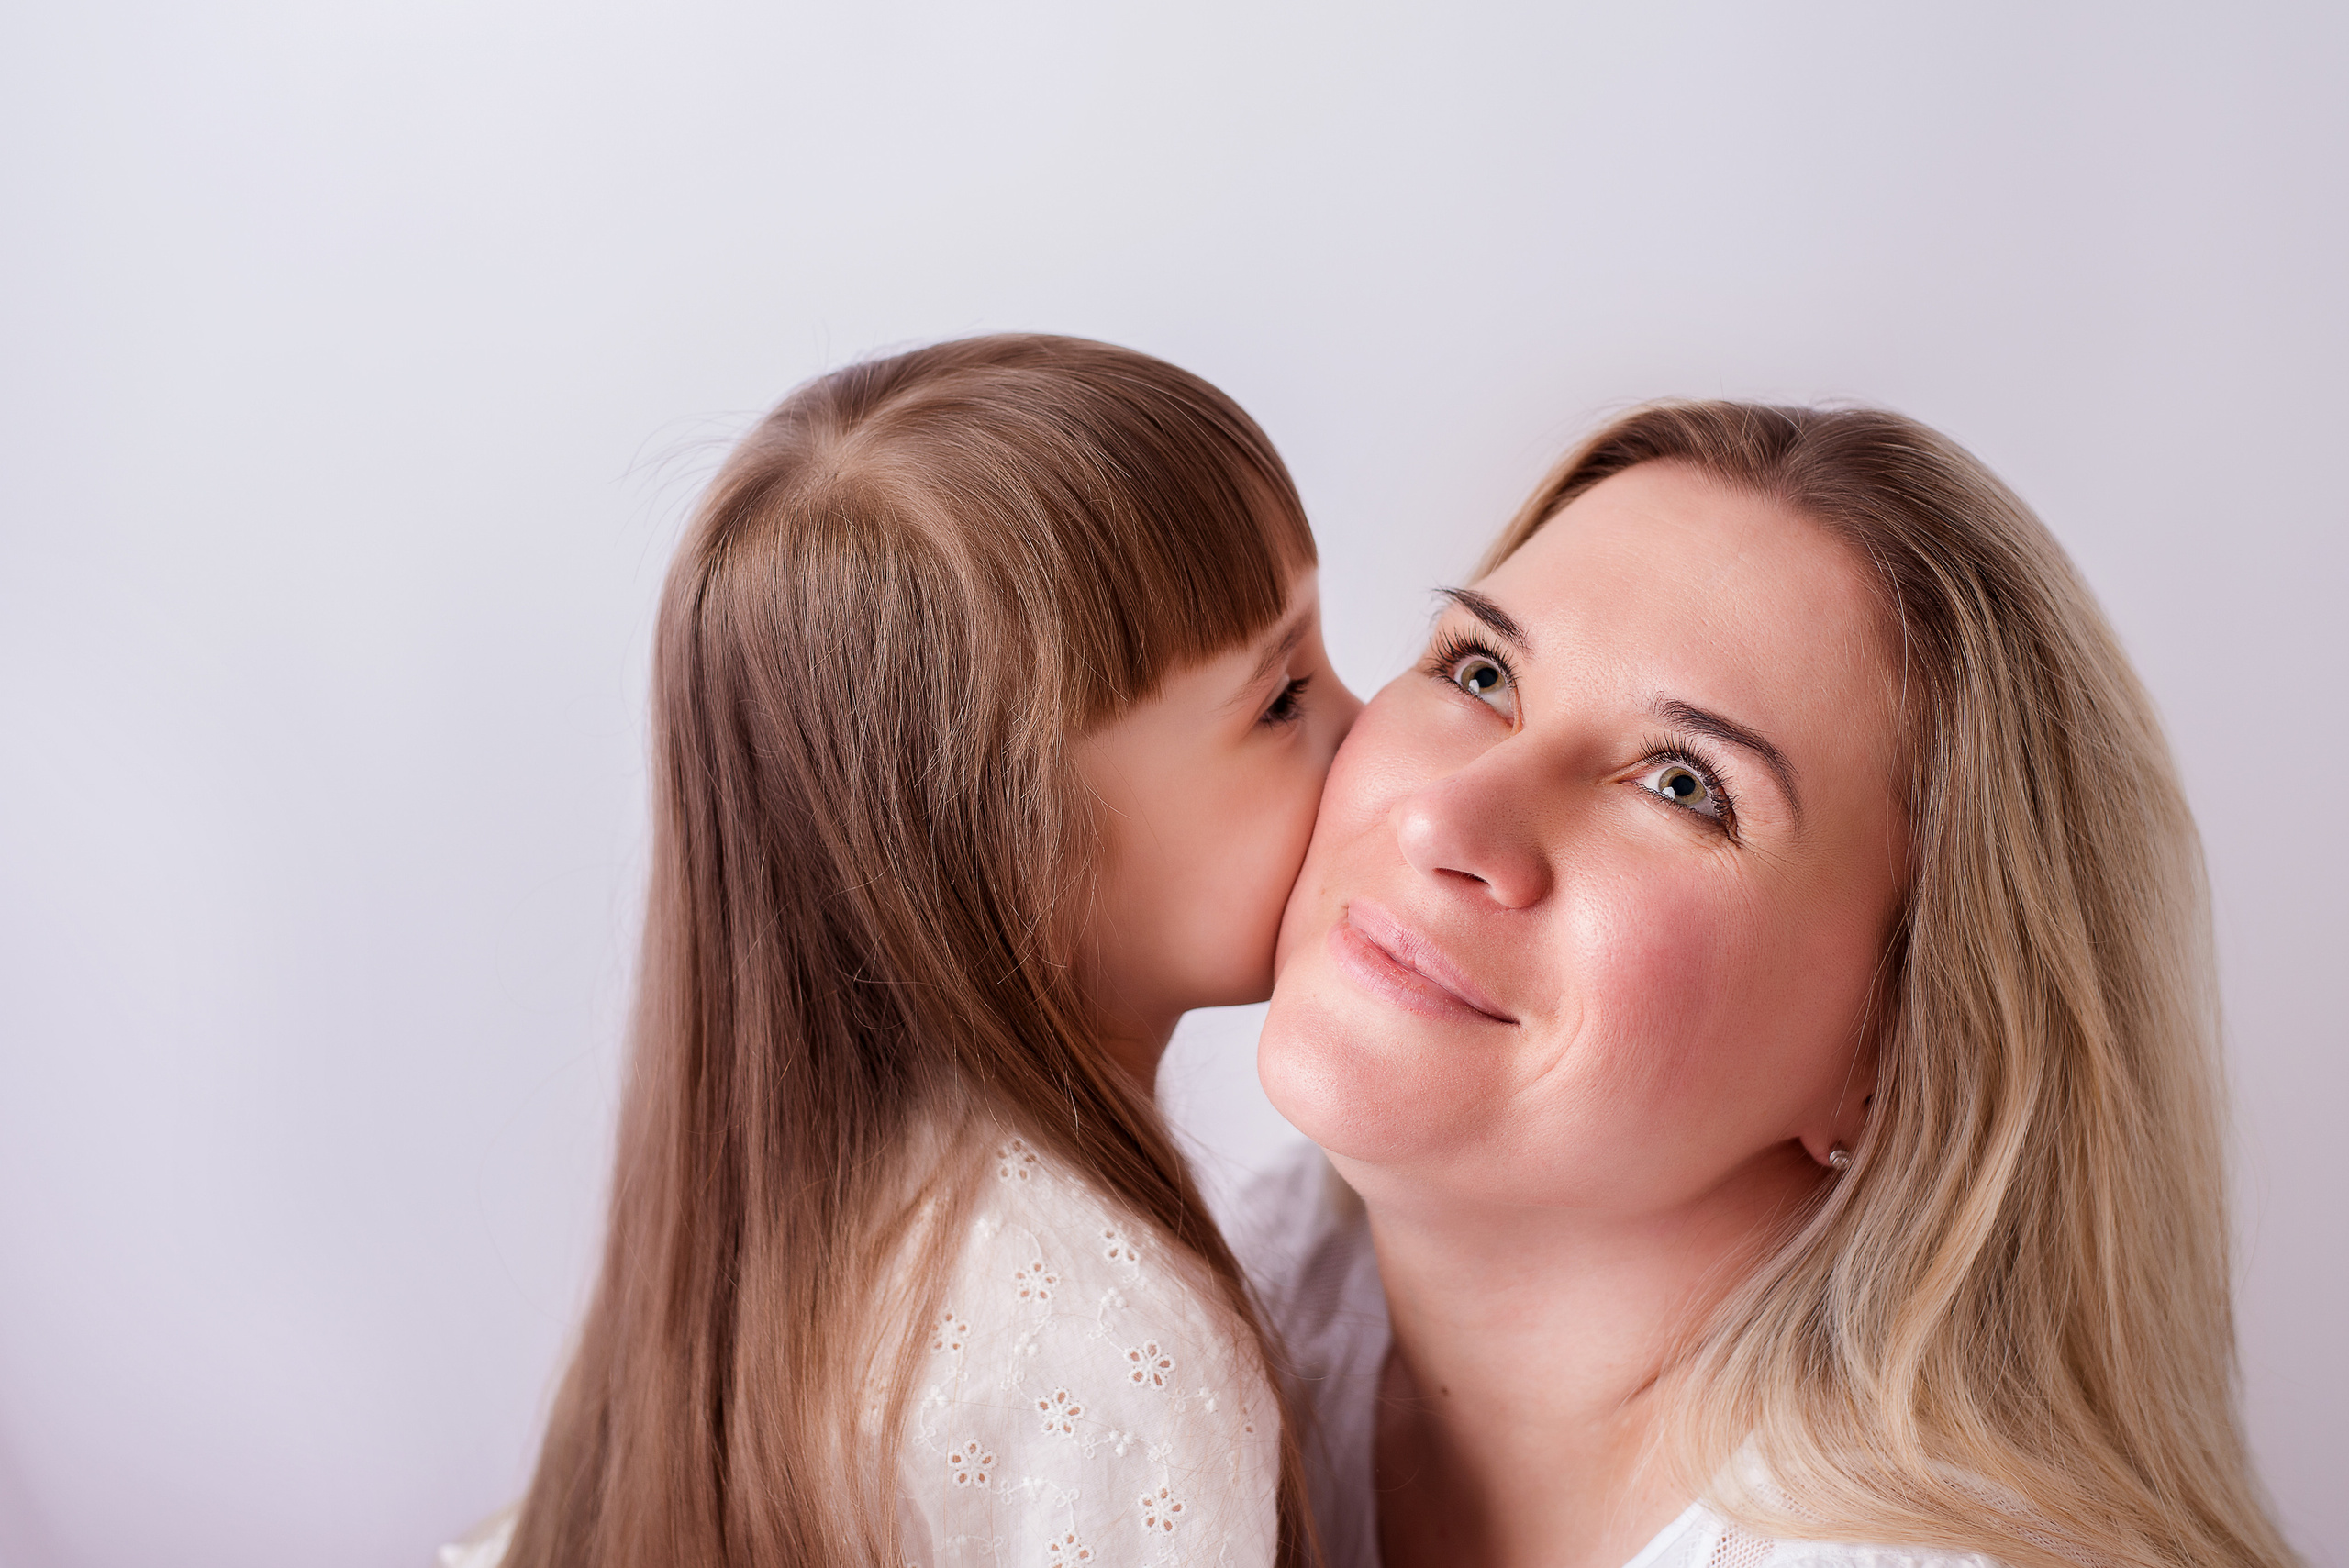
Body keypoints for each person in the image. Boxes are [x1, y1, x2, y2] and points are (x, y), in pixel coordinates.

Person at [1236, 402, 2299, 1568]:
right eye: (1479, 669)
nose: (1447, 814)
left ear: (1890, 1054)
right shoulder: (1168, 1297)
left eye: (1684, 785)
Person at [460, 335, 1358, 1568]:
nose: (1369, 734)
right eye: (1282, 697)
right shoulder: (1111, 1346)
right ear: (1018, 851)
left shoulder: (764, 1259)